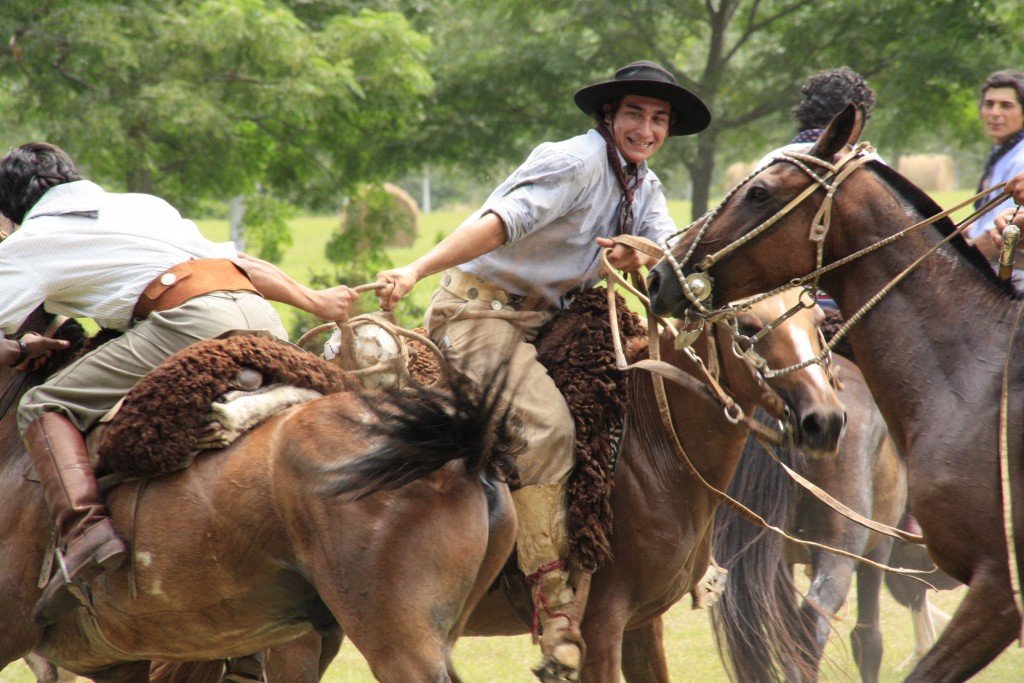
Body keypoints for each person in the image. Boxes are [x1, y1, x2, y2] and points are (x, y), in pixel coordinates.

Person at [374, 61, 710, 679]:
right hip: (480, 318)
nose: (647, 127)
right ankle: (556, 607)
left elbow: (672, 253)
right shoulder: (575, 161)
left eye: (659, 119)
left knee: (632, 407)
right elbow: (502, 222)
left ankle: (668, 555)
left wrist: (658, 256)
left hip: (555, 322)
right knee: (548, 428)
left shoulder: (646, 186)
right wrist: (416, 270)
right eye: (635, 112)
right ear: (607, 116)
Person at [0, 142, 359, 625]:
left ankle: (85, 532)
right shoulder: (142, 205)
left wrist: (22, 350)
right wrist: (315, 302)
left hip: (189, 322)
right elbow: (244, 263)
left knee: (44, 403)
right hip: (259, 314)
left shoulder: (30, 241)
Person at [966, 70, 1024, 268]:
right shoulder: (1002, 152)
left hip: (1009, 277)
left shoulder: (1021, 158)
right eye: (989, 104)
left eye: (1006, 105)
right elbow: (985, 224)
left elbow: (1000, 233)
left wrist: (956, 255)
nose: (995, 113)